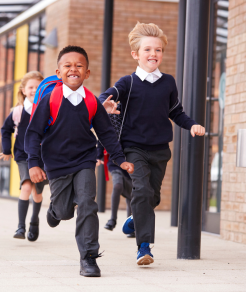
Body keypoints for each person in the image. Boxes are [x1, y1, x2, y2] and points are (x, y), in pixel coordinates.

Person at [99, 22, 205, 266]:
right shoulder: (128, 83)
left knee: (152, 197)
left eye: (158, 50)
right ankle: (144, 247)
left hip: (160, 150)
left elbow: (176, 112)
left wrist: (191, 125)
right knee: (143, 192)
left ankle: (135, 220)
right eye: (147, 50)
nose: (153, 54)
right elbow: (106, 96)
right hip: (133, 148)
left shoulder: (168, 82)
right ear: (136, 54)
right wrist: (105, 104)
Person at [25, 45, 134, 277]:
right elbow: (33, 133)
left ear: (87, 73)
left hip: (85, 160)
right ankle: (55, 210)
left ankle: (89, 258)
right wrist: (34, 163)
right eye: (67, 65)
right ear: (58, 72)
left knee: (87, 203)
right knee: (65, 211)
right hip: (56, 163)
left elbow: (106, 133)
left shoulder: (92, 101)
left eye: (79, 65)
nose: (73, 69)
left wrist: (120, 159)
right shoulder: (50, 98)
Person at [0, 71, 47, 242]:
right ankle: (21, 226)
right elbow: (6, 130)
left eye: (38, 87)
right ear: (24, 90)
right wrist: (6, 150)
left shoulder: (47, 108)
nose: (34, 90)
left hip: (43, 156)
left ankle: (34, 220)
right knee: (26, 185)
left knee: (38, 192)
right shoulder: (18, 111)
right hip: (23, 155)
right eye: (31, 87)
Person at [97, 143, 134, 237]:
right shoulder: (110, 127)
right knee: (118, 185)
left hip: (131, 161)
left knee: (131, 194)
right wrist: (98, 156)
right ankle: (112, 220)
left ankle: (130, 226)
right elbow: (103, 137)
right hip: (114, 161)